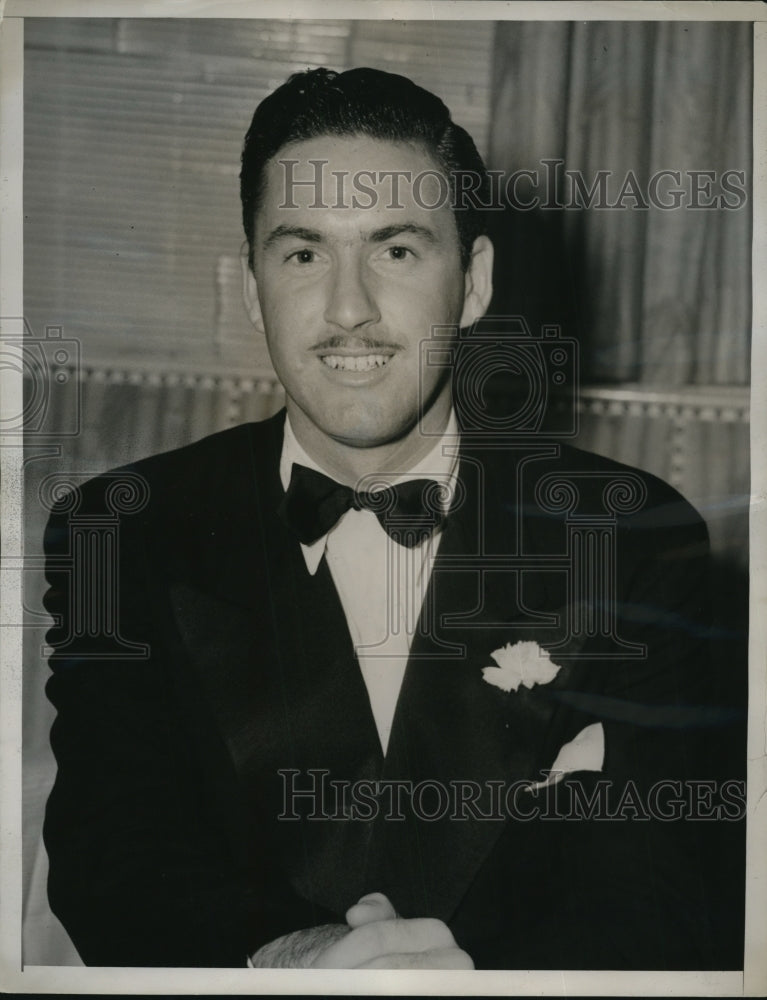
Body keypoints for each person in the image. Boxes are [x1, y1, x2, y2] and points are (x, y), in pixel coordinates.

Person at [42, 67, 744, 970]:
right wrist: (293, 957)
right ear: (252, 289)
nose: (347, 310)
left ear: (474, 281)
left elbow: (657, 887)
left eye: (396, 250)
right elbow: (115, 859)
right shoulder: (119, 531)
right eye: (302, 253)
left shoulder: (633, 534)